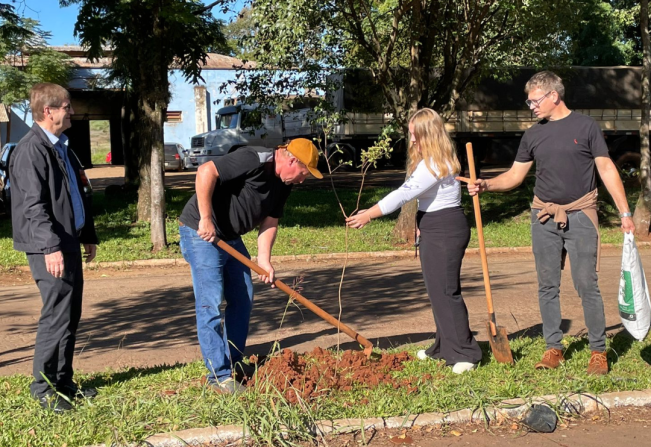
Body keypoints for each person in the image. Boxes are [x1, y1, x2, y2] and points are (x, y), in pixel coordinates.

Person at [465, 71, 635, 375]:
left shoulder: (585, 127)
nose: (531, 106)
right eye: (529, 101)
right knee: (547, 285)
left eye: (534, 100)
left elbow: (606, 169)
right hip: (543, 215)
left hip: (581, 214)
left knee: (587, 284)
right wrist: (486, 185)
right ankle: (554, 348)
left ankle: (598, 351)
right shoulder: (533, 134)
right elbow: (515, 176)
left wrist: (624, 213)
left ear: (553, 95)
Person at [178, 138, 323, 393]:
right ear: (291, 160)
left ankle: (232, 363)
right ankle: (218, 376)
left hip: (230, 237)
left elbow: (270, 221)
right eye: (303, 173)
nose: (302, 180)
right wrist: (206, 218)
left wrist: (263, 259)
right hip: (201, 231)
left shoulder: (284, 183)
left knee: (243, 296)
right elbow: (206, 171)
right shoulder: (255, 158)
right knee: (209, 301)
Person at [347, 108, 483, 374]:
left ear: (428, 135)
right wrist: (422, 224)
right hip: (435, 226)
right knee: (437, 292)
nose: (411, 141)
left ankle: (466, 353)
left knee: (446, 292)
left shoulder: (434, 164)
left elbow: (403, 194)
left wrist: (369, 214)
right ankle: (444, 347)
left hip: (445, 229)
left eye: (415, 135)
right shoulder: (432, 160)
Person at [9, 83, 99, 412]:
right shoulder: (31, 150)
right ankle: (44, 388)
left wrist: (87, 233)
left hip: (68, 241)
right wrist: (50, 247)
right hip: (49, 245)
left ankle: (64, 383)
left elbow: (78, 192)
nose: (71, 111)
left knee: (69, 315)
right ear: (49, 111)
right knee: (56, 315)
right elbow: (33, 207)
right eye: (66, 106)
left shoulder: (62, 146)